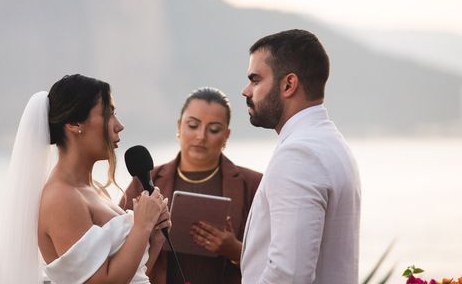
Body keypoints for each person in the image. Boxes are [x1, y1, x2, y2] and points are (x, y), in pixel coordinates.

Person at [0, 74, 170, 284]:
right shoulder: (61, 198)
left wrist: (155, 236)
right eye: (108, 114)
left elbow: (132, 276)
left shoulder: (96, 190)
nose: (119, 125)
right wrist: (141, 226)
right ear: (75, 124)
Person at [239, 30, 361, 284]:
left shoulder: (299, 155)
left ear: (288, 84)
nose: (246, 91)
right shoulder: (331, 143)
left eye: (255, 79)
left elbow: (288, 275)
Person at [122, 87, 262, 284]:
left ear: (226, 135)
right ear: (179, 126)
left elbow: (278, 259)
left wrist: (235, 250)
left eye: (213, 129)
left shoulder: (253, 185)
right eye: (193, 125)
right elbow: (118, 248)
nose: (201, 136)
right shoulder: (146, 180)